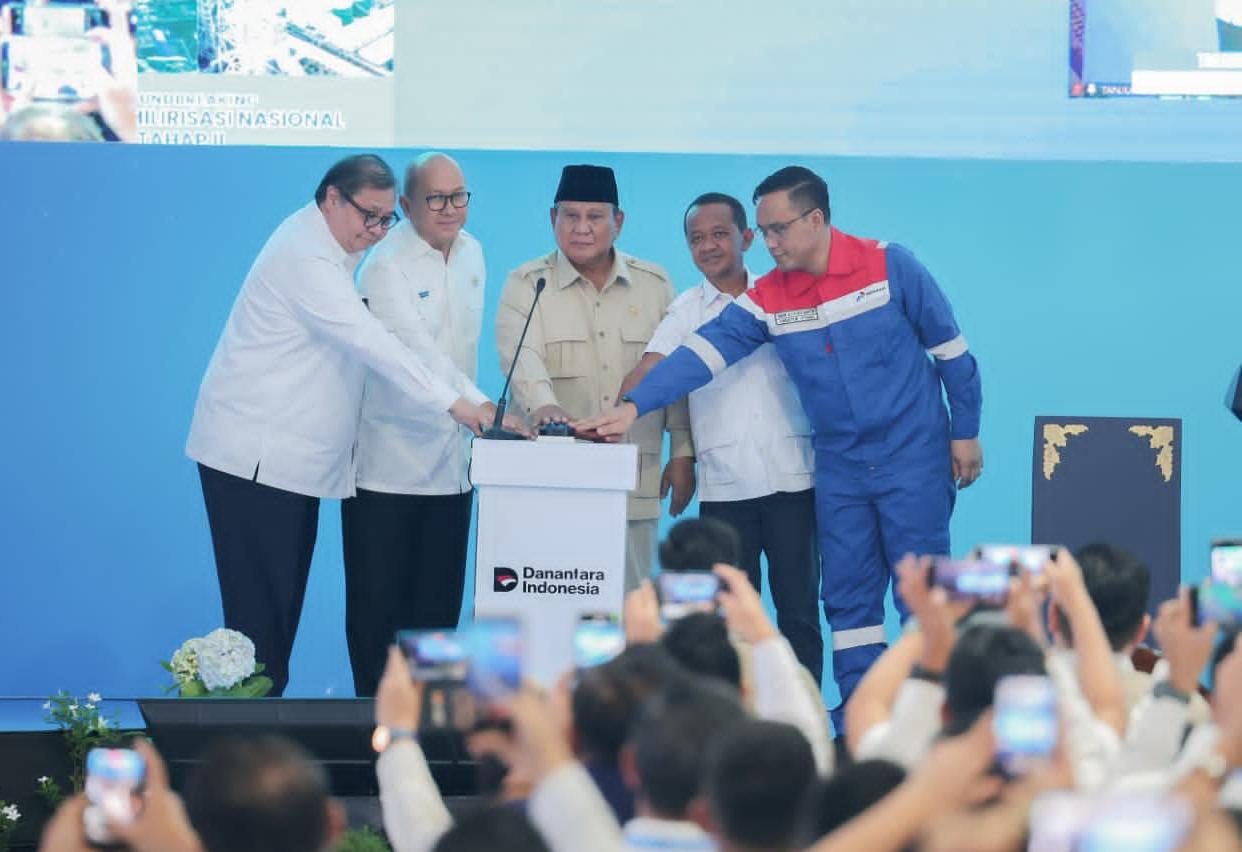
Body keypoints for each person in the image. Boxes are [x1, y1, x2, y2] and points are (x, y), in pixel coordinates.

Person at [577, 165, 984, 732]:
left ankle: (934, 719)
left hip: (912, 456)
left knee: (924, 591)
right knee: (847, 599)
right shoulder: (768, 297)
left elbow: (953, 354)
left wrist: (965, 430)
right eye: (764, 231)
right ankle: (860, 719)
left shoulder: (891, 266)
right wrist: (632, 407)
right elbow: (703, 354)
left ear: (815, 219)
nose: (768, 243)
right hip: (840, 469)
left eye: (778, 229)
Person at [186, 154, 509, 696]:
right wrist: (458, 405)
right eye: (370, 216)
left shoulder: (333, 245)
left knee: (274, 621)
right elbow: (376, 343)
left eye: (385, 220)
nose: (377, 231)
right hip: (256, 458)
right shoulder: (306, 257)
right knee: (261, 625)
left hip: (289, 463)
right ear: (332, 198)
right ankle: (244, 740)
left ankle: (256, 733)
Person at [624, 192, 822, 681]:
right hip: (725, 490)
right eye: (697, 239)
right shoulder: (685, 310)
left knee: (799, 614)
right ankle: (738, 712)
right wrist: (617, 408)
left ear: (747, 237)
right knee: (729, 620)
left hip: (793, 483)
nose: (708, 246)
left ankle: (803, 712)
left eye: (719, 234)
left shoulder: (786, 293)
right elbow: (652, 370)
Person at [495, 164, 694, 589]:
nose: (581, 228)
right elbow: (521, 357)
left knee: (629, 606)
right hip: (549, 480)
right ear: (553, 218)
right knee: (548, 598)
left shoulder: (654, 285)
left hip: (631, 478)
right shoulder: (527, 284)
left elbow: (672, 371)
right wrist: (543, 405)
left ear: (618, 221)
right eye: (570, 215)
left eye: (595, 216)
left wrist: (682, 451)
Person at [343, 152, 492, 697]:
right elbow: (418, 354)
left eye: (459, 197)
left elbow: (462, 352)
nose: (450, 209)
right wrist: (483, 408)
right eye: (436, 199)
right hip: (388, 469)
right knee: (378, 614)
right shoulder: (383, 266)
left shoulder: (473, 252)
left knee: (438, 612)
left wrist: (479, 411)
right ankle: (376, 725)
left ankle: (433, 726)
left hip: (453, 466)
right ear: (406, 205)